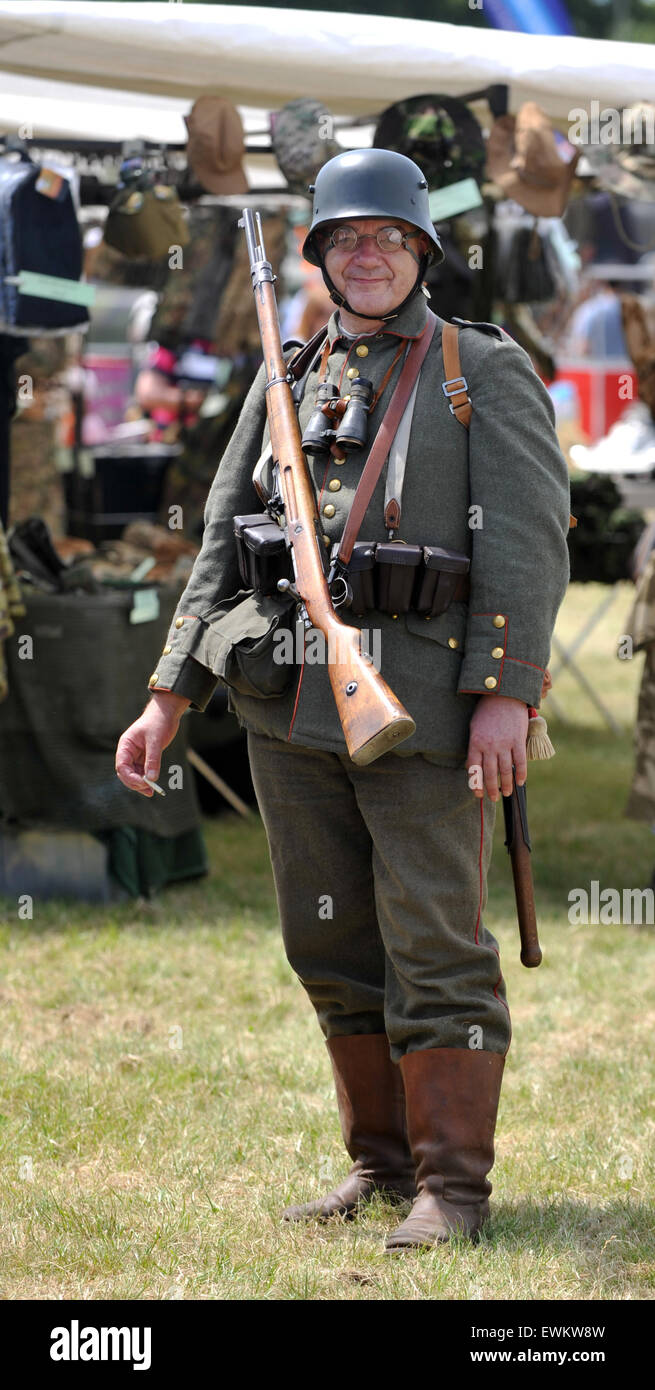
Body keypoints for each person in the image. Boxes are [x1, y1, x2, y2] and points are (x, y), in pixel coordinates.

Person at [115, 149, 570, 1251]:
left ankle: (453, 1188)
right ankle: (379, 1163)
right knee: (325, 939)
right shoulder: (288, 367)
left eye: (387, 238)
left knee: (434, 943)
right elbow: (225, 534)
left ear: (418, 251)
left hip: (420, 704)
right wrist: (167, 693)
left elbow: (527, 541)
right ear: (318, 256)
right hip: (284, 708)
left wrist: (505, 692)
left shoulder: (477, 368)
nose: (366, 256)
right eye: (344, 239)